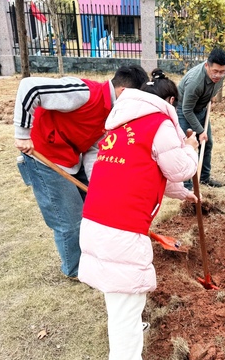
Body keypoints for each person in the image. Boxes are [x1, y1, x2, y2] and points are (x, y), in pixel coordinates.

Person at [77, 69, 199, 360]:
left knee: (120, 295)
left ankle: (130, 326)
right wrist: (191, 148)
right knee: (125, 304)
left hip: (97, 219)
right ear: (169, 101)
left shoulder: (122, 125)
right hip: (121, 228)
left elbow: (147, 169)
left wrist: (182, 194)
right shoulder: (158, 123)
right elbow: (181, 168)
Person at [13, 65, 149, 279]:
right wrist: (22, 133)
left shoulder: (110, 114)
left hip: (70, 157)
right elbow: (30, 87)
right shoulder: (83, 93)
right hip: (45, 156)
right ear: (124, 92)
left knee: (94, 209)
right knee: (69, 219)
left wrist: (96, 185)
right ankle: (75, 270)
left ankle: (93, 257)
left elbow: (93, 149)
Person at [176, 47, 225, 189]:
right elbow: (187, 110)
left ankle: (204, 178)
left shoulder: (221, 72)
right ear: (207, 66)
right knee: (188, 147)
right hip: (184, 111)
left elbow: (214, 86)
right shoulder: (195, 82)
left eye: (222, 72)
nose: (218, 75)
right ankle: (186, 186)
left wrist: (209, 96)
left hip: (201, 108)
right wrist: (200, 131)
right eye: (215, 71)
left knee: (207, 143)